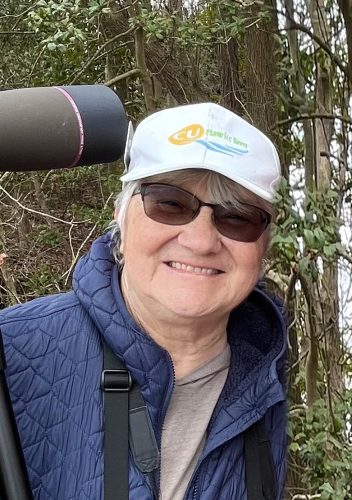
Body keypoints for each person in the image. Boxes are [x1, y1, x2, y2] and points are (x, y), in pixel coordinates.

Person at [0, 102, 287, 499]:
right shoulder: (11, 351)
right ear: (120, 214)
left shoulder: (263, 378)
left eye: (237, 216)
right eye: (169, 203)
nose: (201, 241)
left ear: (263, 246)